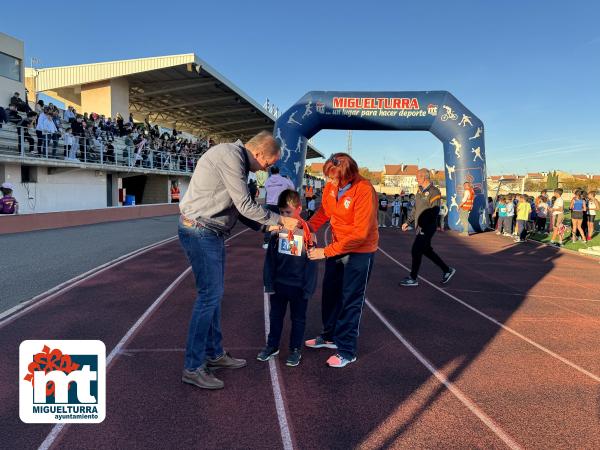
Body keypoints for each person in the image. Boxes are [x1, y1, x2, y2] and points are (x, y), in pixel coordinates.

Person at [178, 131, 298, 390]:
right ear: (258, 154)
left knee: (213, 296)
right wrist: (279, 220)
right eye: (268, 163)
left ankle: (214, 353)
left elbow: (236, 207)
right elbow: (244, 204)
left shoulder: (239, 162)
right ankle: (193, 366)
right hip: (200, 230)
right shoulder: (230, 156)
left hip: (211, 232)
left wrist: (267, 228)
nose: (268, 168)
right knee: (209, 296)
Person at [304, 153, 378, 368]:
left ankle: (347, 349)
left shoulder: (364, 190)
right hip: (337, 247)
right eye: (328, 177)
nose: (329, 182)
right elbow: (325, 211)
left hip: (360, 251)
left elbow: (360, 234)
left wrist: (325, 252)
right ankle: (329, 337)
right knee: (330, 294)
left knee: (351, 300)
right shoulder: (331, 187)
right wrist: (308, 227)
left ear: (348, 176)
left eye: (334, 179)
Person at [258, 189, 317, 367]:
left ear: (299, 208)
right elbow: (270, 259)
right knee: (275, 316)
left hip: (299, 286)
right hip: (279, 284)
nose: (285, 216)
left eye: (288, 212)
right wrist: (269, 282)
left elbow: (312, 261)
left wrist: (309, 286)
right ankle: (272, 346)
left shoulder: (307, 231)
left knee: (298, 319)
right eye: (282, 212)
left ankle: (295, 349)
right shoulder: (277, 231)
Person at [399, 169, 455, 287]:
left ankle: (413, 278)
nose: (416, 179)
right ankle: (447, 270)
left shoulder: (434, 191)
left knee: (416, 250)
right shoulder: (419, 191)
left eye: (417, 177)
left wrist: (425, 226)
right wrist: (408, 222)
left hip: (427, 227)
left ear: (424, 177)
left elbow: (435, 211)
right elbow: (415, 209)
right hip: (419, 227)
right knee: (426, 250)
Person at [263, 166, 294, 248]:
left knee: (269, 223)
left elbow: (267, 190)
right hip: (280, 205)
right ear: (278, 171)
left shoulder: (267, 181)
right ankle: (283, 243)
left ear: (271, 172)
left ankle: (266, 242)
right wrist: (288, 179)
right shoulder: (284, 180)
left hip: (269, 204)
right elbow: (292, 188)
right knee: (283, 223)